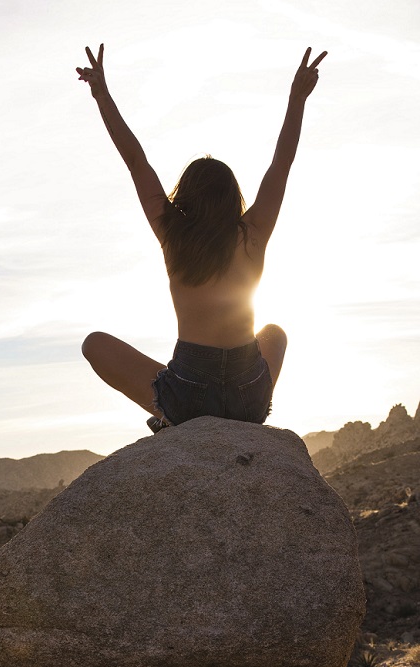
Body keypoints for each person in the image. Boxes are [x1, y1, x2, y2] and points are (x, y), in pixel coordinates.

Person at [76, 44, 327, 432]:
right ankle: (209, 404)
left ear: (185, 197)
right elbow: (283, 162)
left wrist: (102, 96)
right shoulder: (254, 232)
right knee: (274, 334)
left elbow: (135, 161)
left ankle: (168, 415)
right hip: (249, 399)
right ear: (233, 197)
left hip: (187, 398)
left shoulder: (173, 235)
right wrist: (297, 98)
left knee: (93, 343)